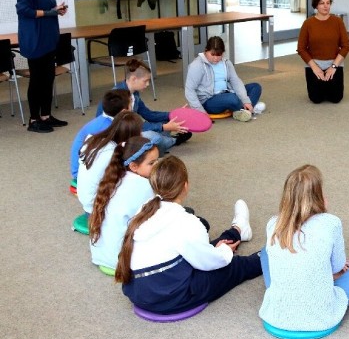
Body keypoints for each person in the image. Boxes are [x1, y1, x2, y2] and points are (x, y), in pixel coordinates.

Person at [115, 156, 259, 314]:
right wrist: (224, 251)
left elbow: (196, 252)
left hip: (137, 292)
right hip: (170, 297)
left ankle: (238, 230)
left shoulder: (145, 209)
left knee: (205, 249)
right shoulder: (187, 222)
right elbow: (208, 262)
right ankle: (269, 254)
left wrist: (218, 249)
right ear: (185, 185)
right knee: (235, 266)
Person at [259, 165, 349, 332]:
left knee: (265, 252)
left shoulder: (273, 223)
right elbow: (339, 267)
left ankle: (298, 281)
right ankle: (317, 277)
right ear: (318, 197)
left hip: (276, 316)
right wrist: (331, 273)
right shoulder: (331, 223)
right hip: (321, 317)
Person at [15, 0, 69, 133]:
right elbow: (23, 9)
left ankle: (45, 116)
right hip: (35, 39)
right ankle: (33, 120)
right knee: (37, 80)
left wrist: (55, 11)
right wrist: (48, 13)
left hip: (47, 39)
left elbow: (44, 10)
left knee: (47, 79)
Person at [88, 136, 157, 270]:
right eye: (151, 163)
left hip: (101, 256)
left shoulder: (113, 179)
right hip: (124, 261)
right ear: (133, 166)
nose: (156, 166)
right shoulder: (144, 186)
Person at [96, 59, 190, 153]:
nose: (148, 84)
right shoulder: (118, 98)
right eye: (145, 81)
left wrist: (173, 114)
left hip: (131, 129)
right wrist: (163, 127)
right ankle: (173, 141)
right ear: (133, 79)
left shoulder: (134, 93)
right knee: (155, 137)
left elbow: (148, 114)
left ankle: (160, 142)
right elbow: (133, 127)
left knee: (166, 120)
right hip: (118, 136)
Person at [77, 111, 144, 215]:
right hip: (97, 210)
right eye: (140, 132)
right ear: (131, 135)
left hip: (87, 203)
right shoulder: (112, 153)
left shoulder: (95, 140)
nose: (141, 134)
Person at [185, 36, 264, 122]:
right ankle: (247, 108)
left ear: (223, 53)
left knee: (255, 87)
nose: (216, 58)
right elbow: (189, 90)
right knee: (232, 99)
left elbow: (235, 81)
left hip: (227, 92)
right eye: (212, 54)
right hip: (209, 100)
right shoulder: (196, 65)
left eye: (219, 55)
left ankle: (244, 109)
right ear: (206, 50)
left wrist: (246, 100)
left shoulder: (226, 63)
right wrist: (200, 111)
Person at [297, 0, 349, 104]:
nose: (326, 6)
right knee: (316, 99)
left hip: (334, 62)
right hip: (314, 63)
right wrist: (314, 67)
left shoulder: (337, 22)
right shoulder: (308, 23)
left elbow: (346, 46)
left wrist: (334, 66)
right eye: (322, 3)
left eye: (328, 3)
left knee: (336, 98)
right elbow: (301, 48)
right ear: (316, 5)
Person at [69, 89, 132, 183]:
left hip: (83, 169)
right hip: (84, 175)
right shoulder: (108, 128)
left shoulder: (104, 121)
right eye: (131, 104)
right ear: (124, 111)